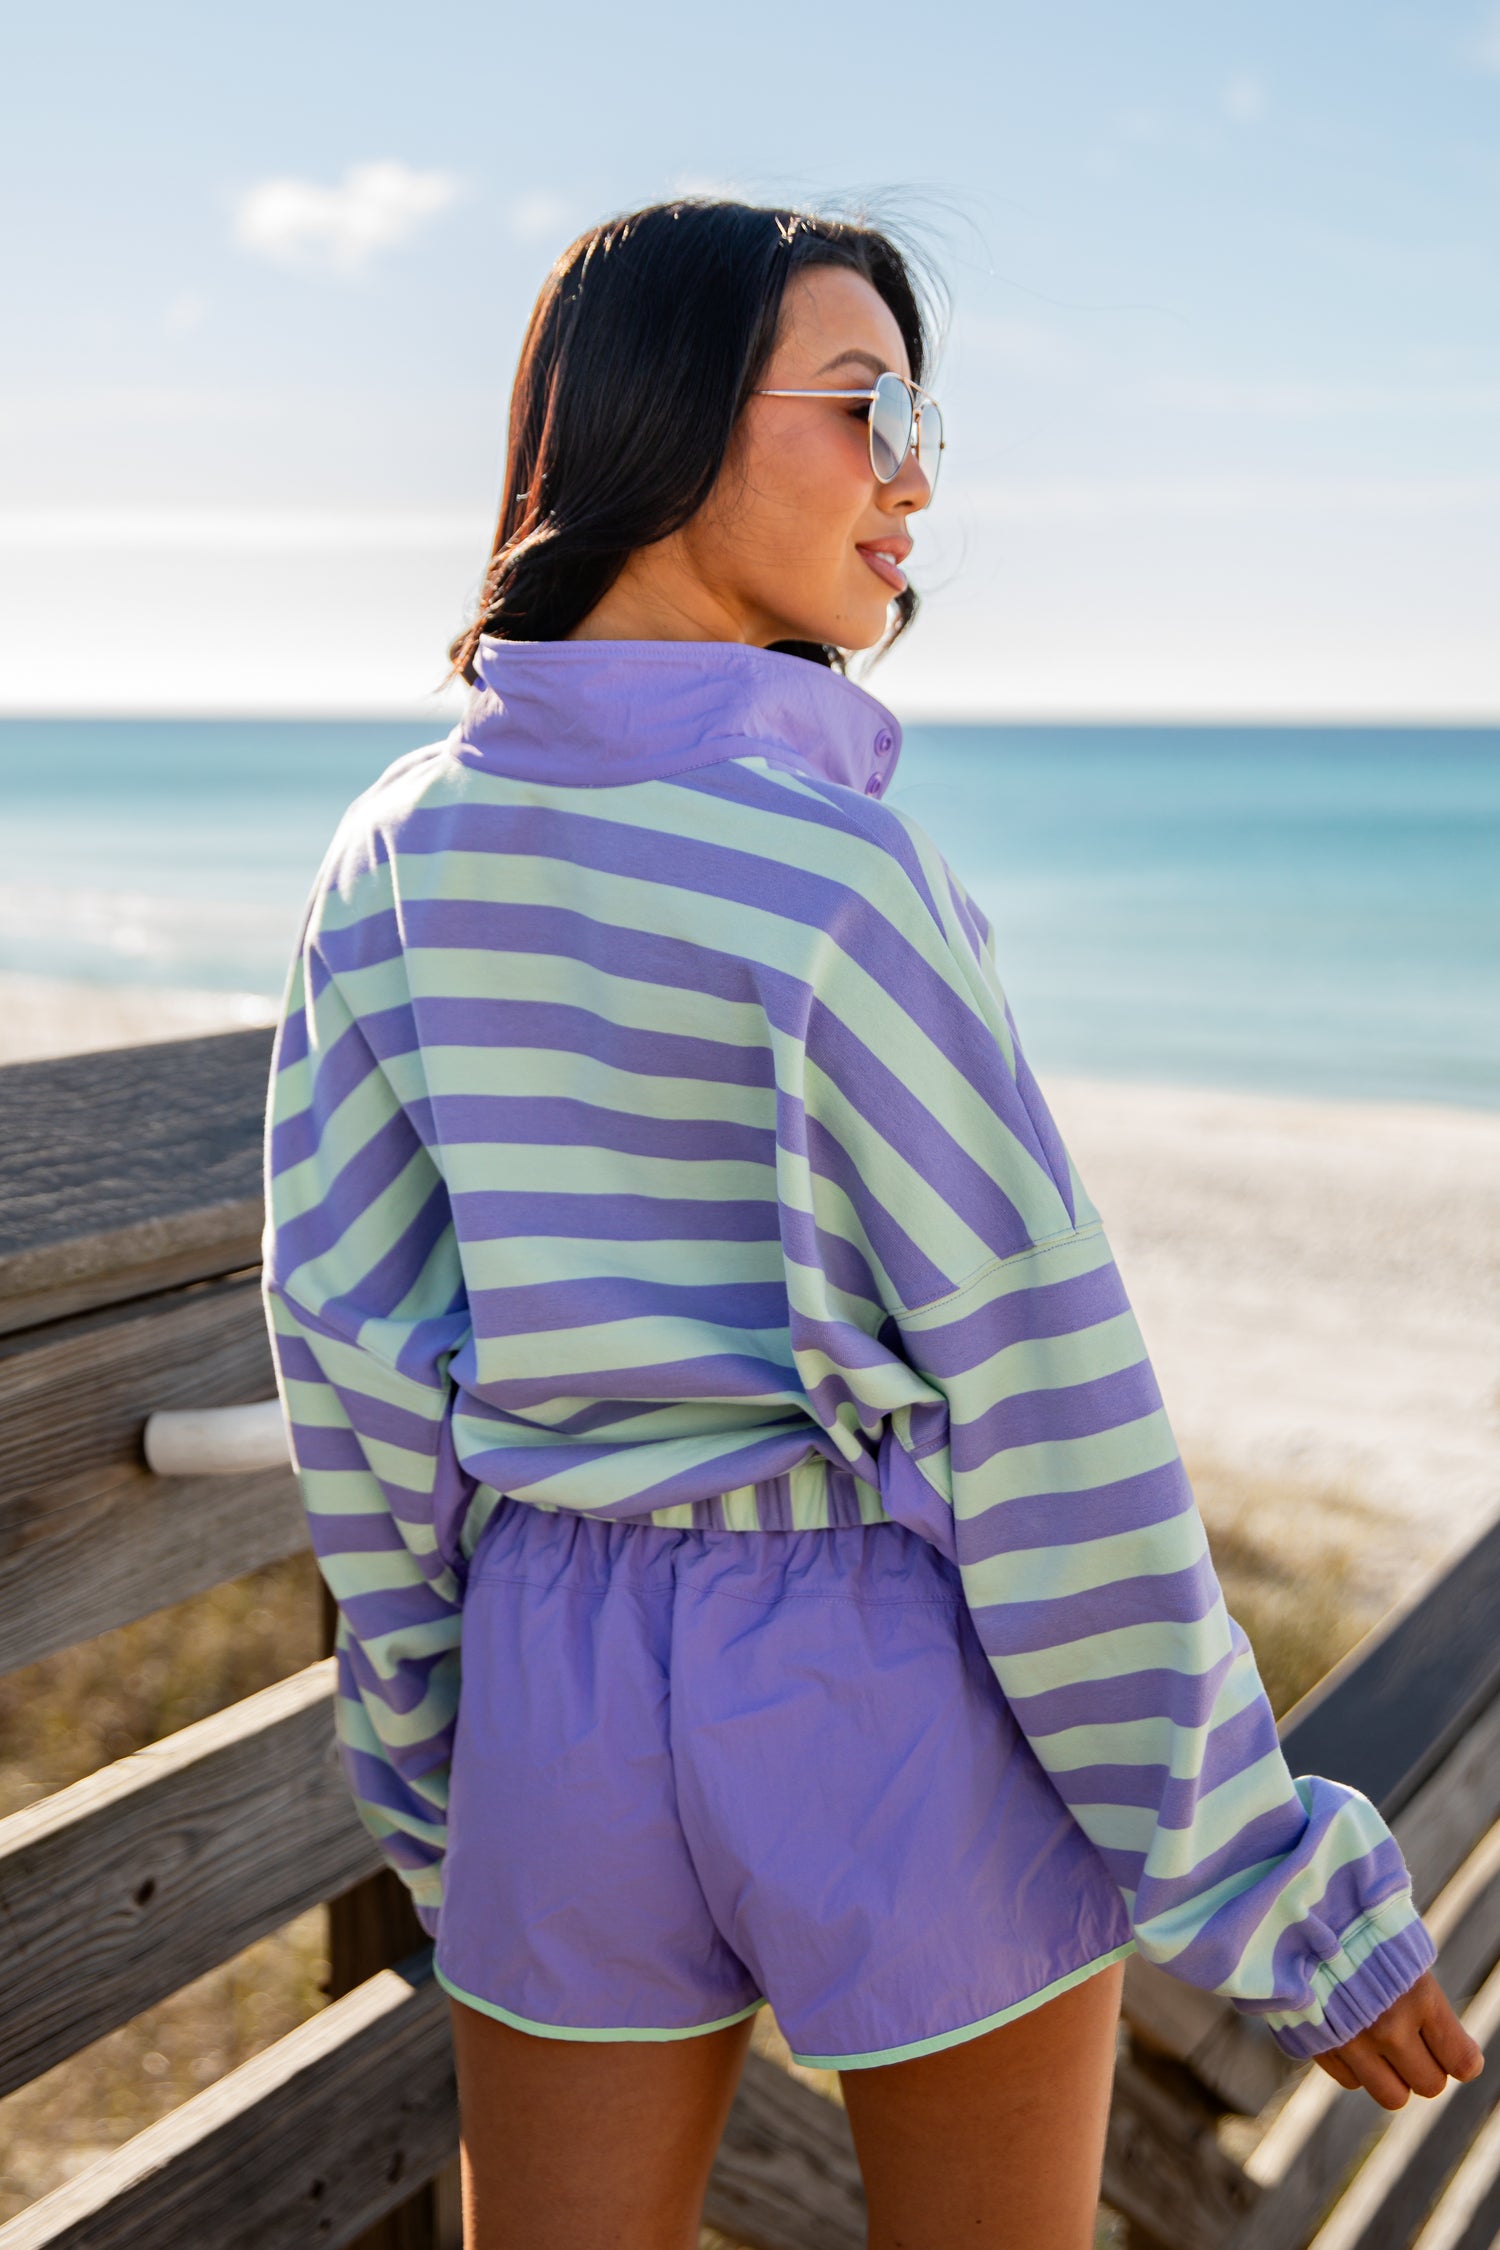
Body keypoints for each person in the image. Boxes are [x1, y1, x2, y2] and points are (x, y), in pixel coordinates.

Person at [261, 199, 1481, 2250]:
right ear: (659, 416)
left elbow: (353, 1364)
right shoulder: (839, 878)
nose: (917, 474)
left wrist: (437, 1772)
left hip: (553, 1671)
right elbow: (1045, 1411)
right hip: (872, 1676)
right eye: (866, 404)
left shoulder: (393, 857)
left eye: (928, 418)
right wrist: (1277, 1878)